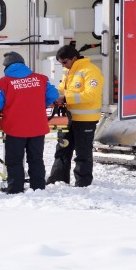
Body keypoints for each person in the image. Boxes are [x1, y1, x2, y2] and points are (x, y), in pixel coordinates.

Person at [0, 52, 59, 194]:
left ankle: (15, 188)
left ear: (6, 66)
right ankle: (38, 187)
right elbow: (54, 95)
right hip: (38, 127)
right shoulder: (41, 79)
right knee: (36, 159)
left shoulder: (2, 83)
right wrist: (40, 104)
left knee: (14, 160)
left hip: (15, 128)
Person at [47, 45, 103, 187]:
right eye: (60, 63)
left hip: (85, 120)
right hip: (68, 119)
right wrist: (53, 95)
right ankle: (57, 180)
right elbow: (62, 90)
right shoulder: (69, 72)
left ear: (73, 58)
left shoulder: (90, 71)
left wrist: (65, 98)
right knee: (62, 149)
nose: (63, 66)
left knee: (83, 153)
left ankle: (82, 183)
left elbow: (91, 95)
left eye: (64, 62)